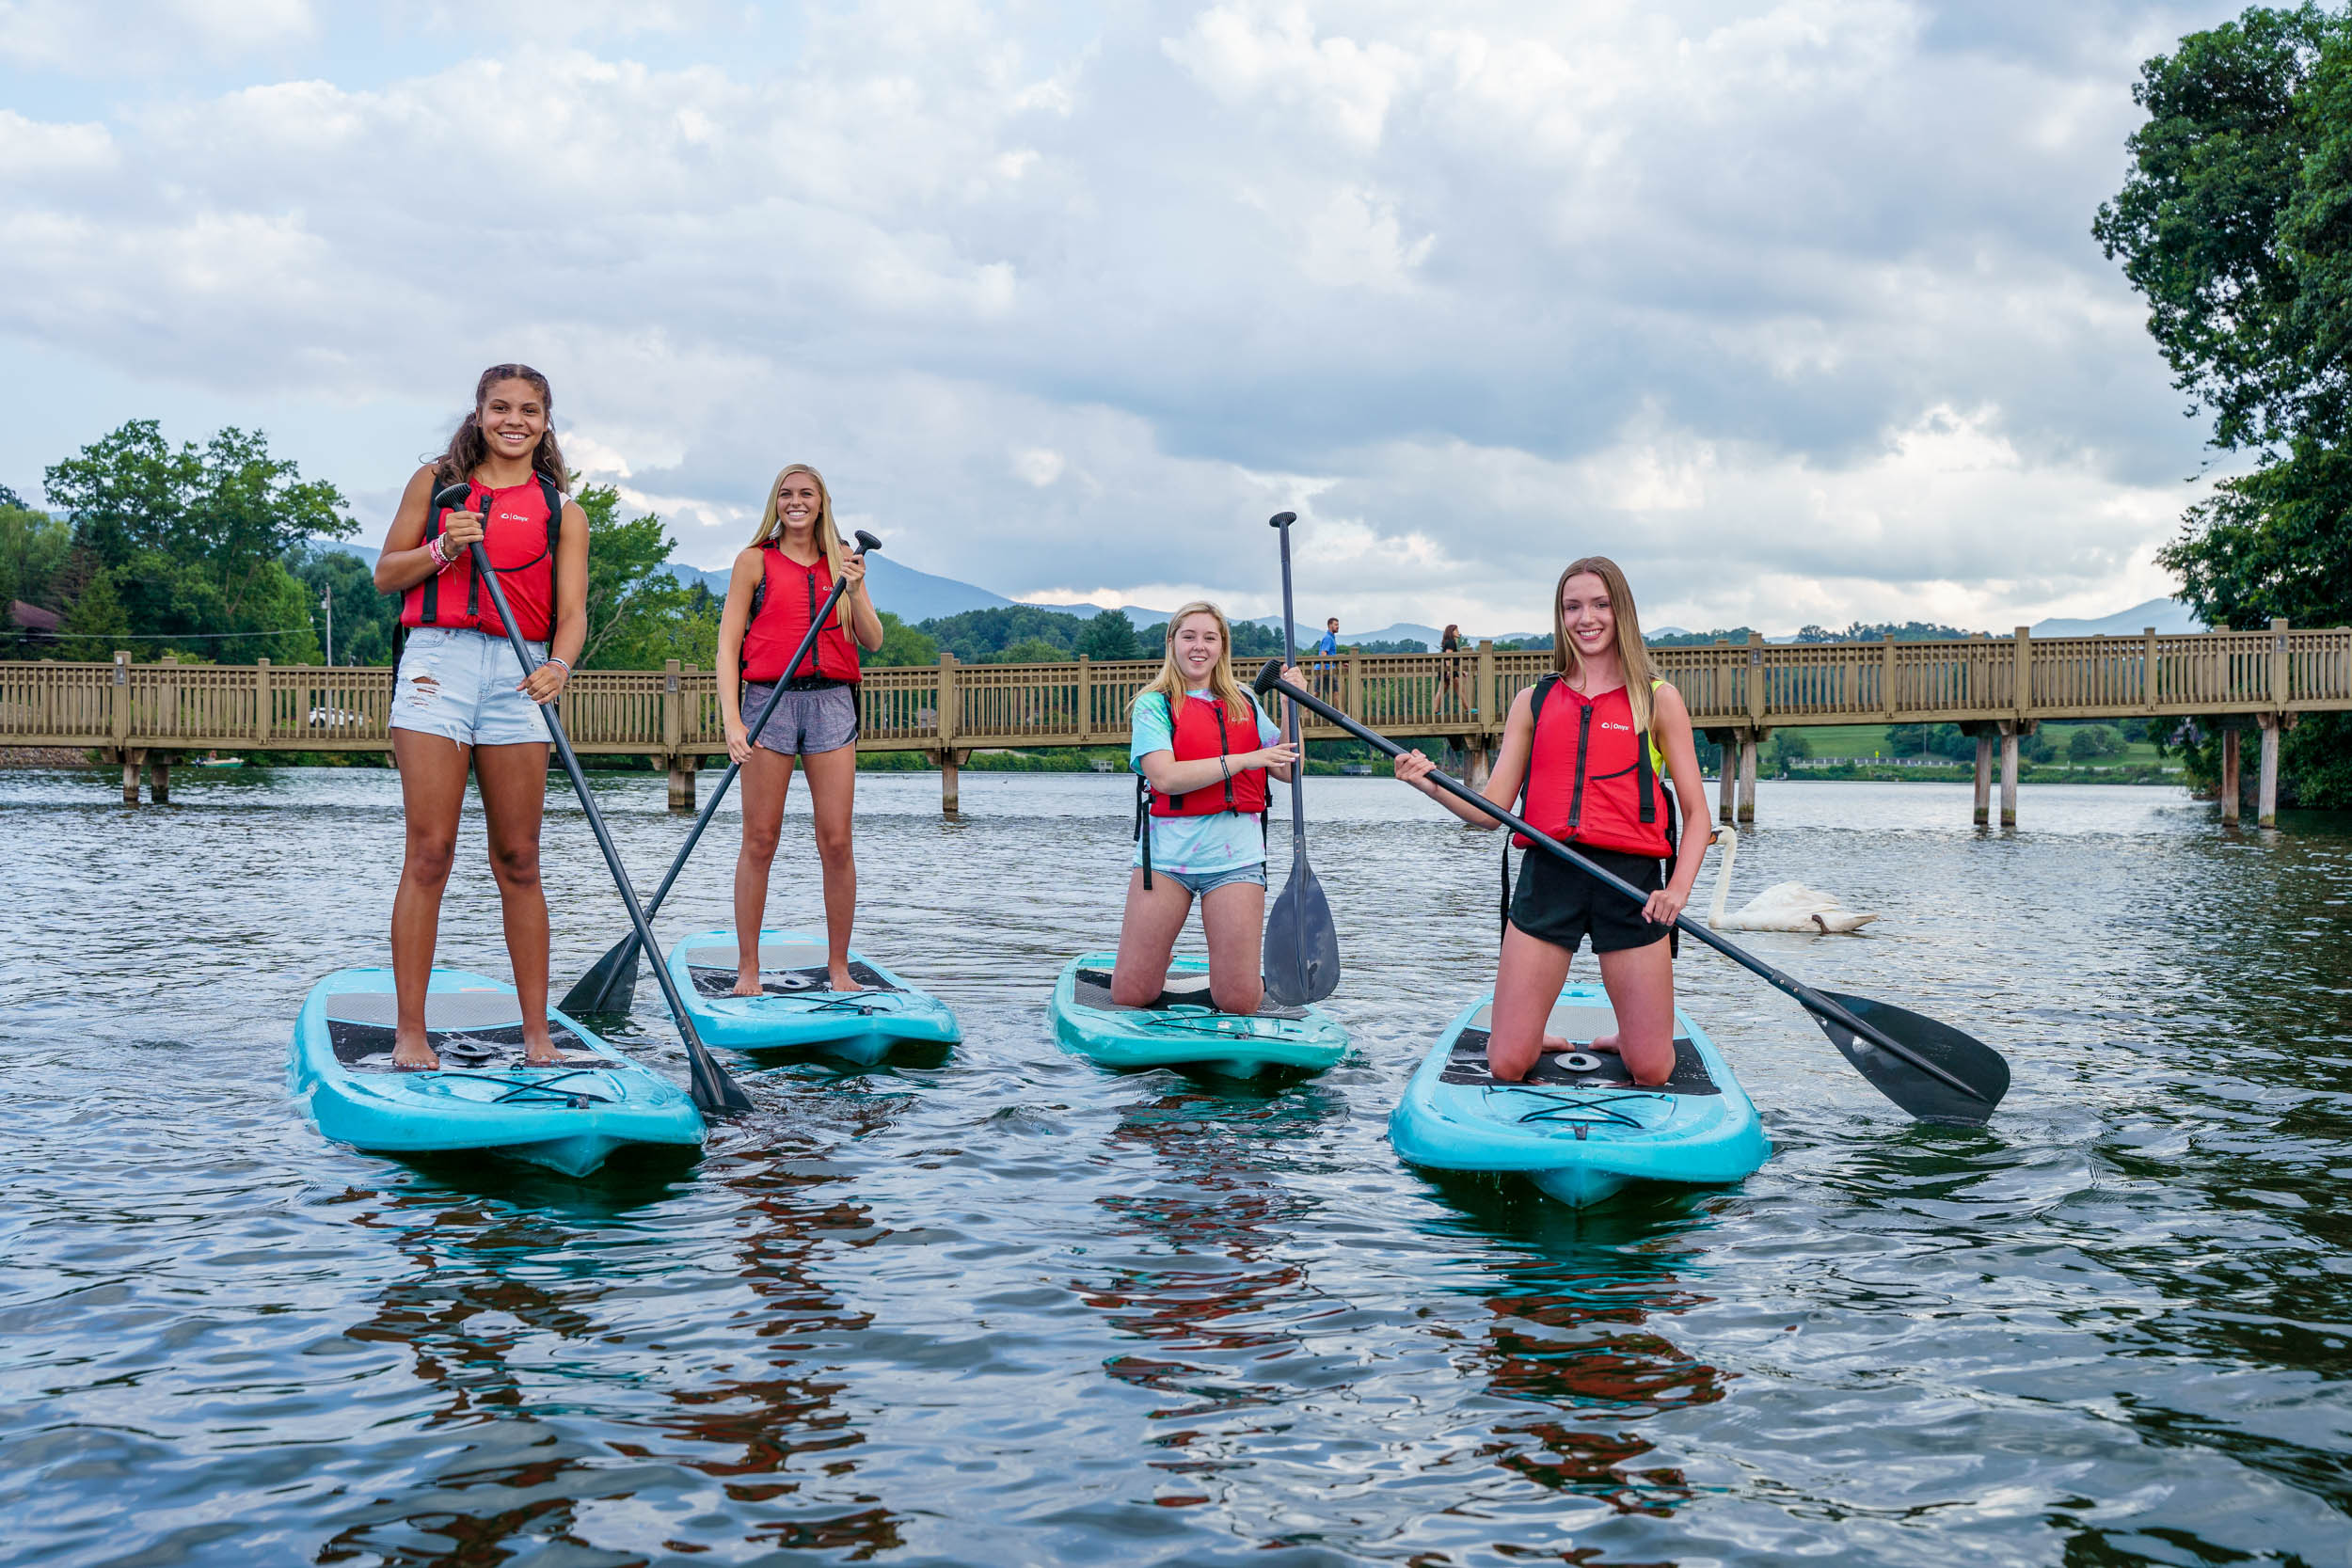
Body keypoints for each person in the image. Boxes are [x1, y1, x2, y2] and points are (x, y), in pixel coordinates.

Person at [1391, 558, 1708, 1085]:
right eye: (1573, 606)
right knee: (1508, 1063)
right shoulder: (1533, 701)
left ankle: (1624, 1037)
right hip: (1548, 877)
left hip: (1630, 887)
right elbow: (1489, 812)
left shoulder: (1657, 699)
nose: (1587, 618)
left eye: (1600, 604)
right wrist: (1428, 783)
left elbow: (1698, 815)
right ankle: (1535, 1033)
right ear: (1561, 617)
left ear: (1621, 611)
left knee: (1652, 1069)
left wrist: (1677, 891)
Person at [373, 364, 589, 1069]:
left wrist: (560, 663)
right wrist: (444, 548)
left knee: (520, 860)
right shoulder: (436, 485)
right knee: (430, 852)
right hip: (440, 662)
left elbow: (573, 613)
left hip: (521, 672)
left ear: (545, 422)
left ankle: (537, 1036)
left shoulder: (563, 510)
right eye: (501, 407)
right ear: (478, 414)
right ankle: (411, 1034)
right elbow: (385, 574)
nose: (514, 420)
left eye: (529, 410)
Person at [716, 464, 885, 995]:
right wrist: (731, 721)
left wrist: (855, 591)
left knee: (836, 841)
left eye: (806, 494)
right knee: (760, 839)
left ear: (821, 503)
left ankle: (839, 969)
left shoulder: (845, 562)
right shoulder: (753, 561)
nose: (796, 502)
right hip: (769, 703)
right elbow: (727, 647)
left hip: (832, 705)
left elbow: (873, 641)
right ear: (776, 503)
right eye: (786, 494)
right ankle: (748, 970)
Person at [1112, 603, 1302, 1015]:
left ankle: (1240, 975)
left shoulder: (1246, 701)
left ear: (1222, 647)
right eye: (1189, 636)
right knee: (1131, 994)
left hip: (1237, 861)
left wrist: (1293, 704)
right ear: (1172, 644)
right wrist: (1243, 760)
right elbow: (1163, 777)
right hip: (1165, 860)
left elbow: (1287, 770)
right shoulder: (1153, 705)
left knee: (1237, 1001)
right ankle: (1158, 959)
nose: (1199, 647)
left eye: (1209, 638)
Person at [1439, 623, 1467, 717]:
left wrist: (1461, 670)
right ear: (1452, 632)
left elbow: (1454, 660)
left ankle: (1435, 710)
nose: (1459, 632)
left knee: (1442, 691)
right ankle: (1468, 709)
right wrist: (1449, 671)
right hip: (1449, 670)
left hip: (1448, 670)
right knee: (1459, 689)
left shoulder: (1450, 642)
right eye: (1457, 630)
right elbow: (1448, 657)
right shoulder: (1451, 642)